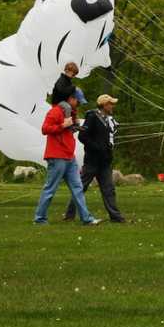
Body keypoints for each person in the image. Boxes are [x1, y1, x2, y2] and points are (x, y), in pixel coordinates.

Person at [33, 89, 101, 226]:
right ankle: (40, 218)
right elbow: (45, 129)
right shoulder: (55, 111)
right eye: (78, 101)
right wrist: (63, 125)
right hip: (57, 156)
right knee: (50, 188)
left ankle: (86, 219)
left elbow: (67, 131)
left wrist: (74, 127)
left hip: (69, 156)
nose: (79, 104)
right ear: (71, 98)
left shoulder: (70, 113)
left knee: (78, 188)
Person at [64, 94, 126, 223]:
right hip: (92, 160)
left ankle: (115, 216)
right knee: (82, 187)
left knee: (109, 189)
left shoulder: (108, 119)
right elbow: (82, 136)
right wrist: (97, 147)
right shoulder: (92, 116)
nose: (112, 106)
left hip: (105, 161)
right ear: (104, 105)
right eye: (110, 104)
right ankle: (70, 214)